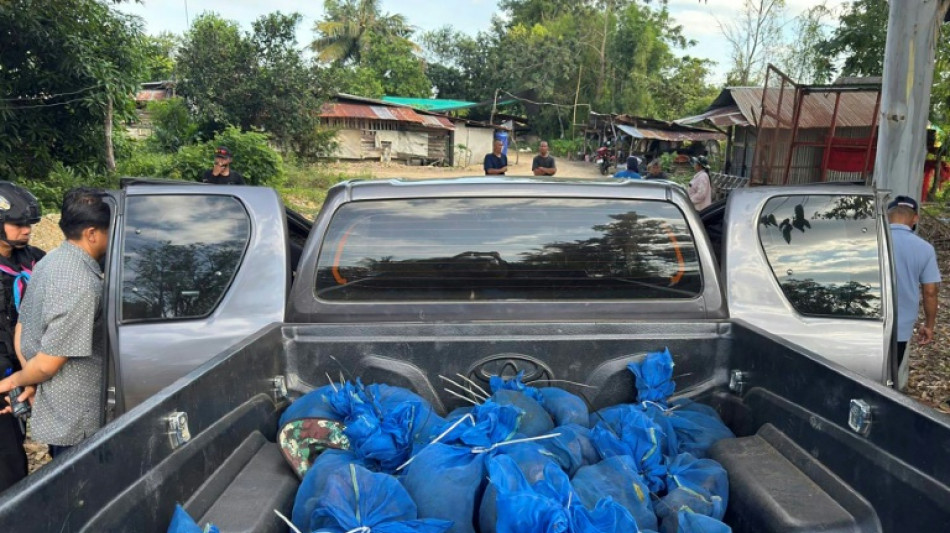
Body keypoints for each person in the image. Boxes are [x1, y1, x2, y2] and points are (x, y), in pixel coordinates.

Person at [0, 187, 111, 460]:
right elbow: (49, 363)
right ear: (92, 234)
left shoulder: (47, 260)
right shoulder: (79, 282)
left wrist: (30, 375)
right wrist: (16, 380)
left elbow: (22, 326)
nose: (26, 230)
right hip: (75, 419)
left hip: (55, 403)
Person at [0, 183, 44, 492]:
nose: (26, 230)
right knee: (9, 463)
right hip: (4, 375)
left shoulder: (35, 260)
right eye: (18, 224)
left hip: (27, 370)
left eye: (29, 224)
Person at [888, 195, 940, 368]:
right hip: (899, 327)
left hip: (865, 323)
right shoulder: (925, 249)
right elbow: (930, 292)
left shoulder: (870, 242)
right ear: (915, 218)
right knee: (889, 378)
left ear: (888, 215)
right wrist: (929, 325)